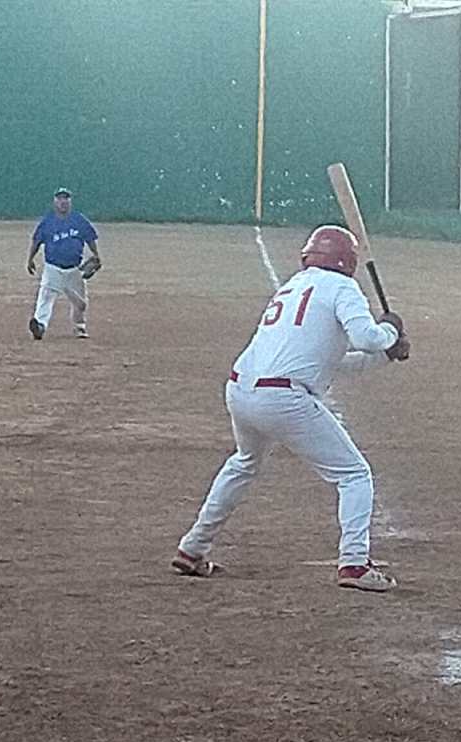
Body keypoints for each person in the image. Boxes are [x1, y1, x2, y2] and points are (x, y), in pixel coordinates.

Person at [171, 225, 411, 592]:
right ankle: (354, 564)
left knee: (244, 463)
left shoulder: (294, 285)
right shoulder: (343, 287)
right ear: (348, 262)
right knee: (354, 474)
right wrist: (389, 332)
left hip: (241, 388)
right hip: (283, 398)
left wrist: (385, 356)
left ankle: (192, 548)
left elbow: (329, 362)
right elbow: (365, 338)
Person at [26, 187, 101, 340]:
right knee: (45, 298)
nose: (63, 202)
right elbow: (37, 241)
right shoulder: (48, 222)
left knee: (81, 304)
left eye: (66, 199)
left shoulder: (78, 220)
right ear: (55, 202)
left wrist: (96, 254)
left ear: (70, 201)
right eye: (60, 199)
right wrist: (30, 259)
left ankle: (79, 327)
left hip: (74, 270)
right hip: (52, 269)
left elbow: (90, 238)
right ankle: (40, 325)